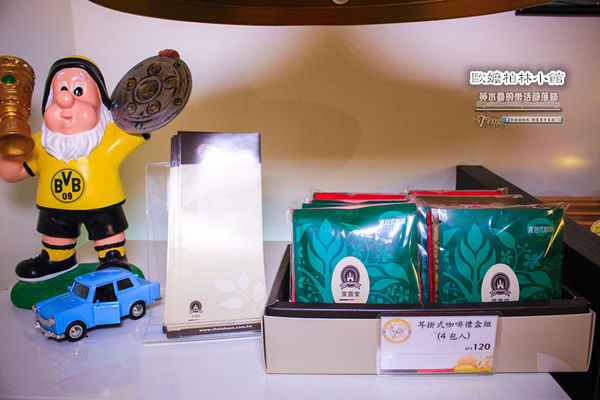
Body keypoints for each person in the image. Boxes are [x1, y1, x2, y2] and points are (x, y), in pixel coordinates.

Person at [0, 56, 148, 282]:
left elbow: (146, 120)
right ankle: (57, 259)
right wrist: (8, 144)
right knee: (55, 232)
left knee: (107, 229)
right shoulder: (40, 144)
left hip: (103, 205)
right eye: (60, 89)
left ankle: (112, 258)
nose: (65, 99)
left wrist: (160, 77)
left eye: (78, 91)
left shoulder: (110, 137)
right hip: (54, 208)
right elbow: (11, 174)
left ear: (100, 102)